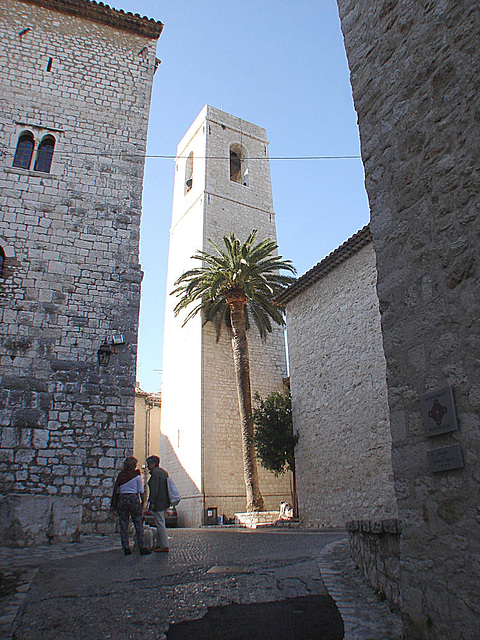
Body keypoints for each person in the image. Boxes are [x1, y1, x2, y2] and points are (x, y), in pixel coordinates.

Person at [111, 456, 151, 556]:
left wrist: (115, 503)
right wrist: (143, 502)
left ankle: (125, 546)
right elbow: (140, 490)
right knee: (138, 523)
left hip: (122, 499)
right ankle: (142, 546)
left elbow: (117, 489)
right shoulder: (137, 476)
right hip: (133, 499)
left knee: (123, 524)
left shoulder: (121, 475)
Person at [146, 455, 170, 552]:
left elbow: (154, 490)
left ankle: (164, 545)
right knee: (160, 522)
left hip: (159, 501)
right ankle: (159, 544)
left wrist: (152, 502)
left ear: (153, 464)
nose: (148, 466)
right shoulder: (163, 472)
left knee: (160, 523)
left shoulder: (155, 474)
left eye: (149, 464)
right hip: (164, 501)